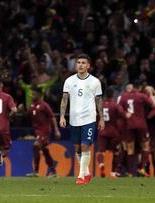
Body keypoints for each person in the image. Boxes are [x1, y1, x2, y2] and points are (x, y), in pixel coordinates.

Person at [59, 53, 105, 185]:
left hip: (89, 118)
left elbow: (99, 101)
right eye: (78, 62)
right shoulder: (69, 81)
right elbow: (64, 99)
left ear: (88, 66)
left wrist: (101, 118)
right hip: (74, 119)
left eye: (83, 63)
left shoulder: (95, 82)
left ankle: (81, 176)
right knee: (78, 147)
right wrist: (62, 116)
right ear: (76, 65)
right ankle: (87, 172)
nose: (80, 65)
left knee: (85, 145)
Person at [118, 81, 155, 177]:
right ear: (139, 87)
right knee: (145, 147)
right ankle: (143, 169)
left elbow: (118, 107)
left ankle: (130, 172)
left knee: (130, 149)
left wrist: (125, 114)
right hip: (141, 125)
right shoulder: (141, 96)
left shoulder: (124, 97)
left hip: (129, 125)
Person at [25, 86, 61, 177]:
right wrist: (22, 109)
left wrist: (56, 130)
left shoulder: (44, 105)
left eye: (34, 94)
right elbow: (28, 116)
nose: (32, 96)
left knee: (36, 146)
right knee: (45, 151)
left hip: (44, 131)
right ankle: (54, 171)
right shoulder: (32, 105)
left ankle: (36, 171)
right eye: (32, 94)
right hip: (37, 132)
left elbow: (52, 117)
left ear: (40, 95)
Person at [96, 87, 128, 178]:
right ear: (113, 95)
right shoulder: (115, 105)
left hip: (102, 131)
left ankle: (101, 164)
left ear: (105, 95)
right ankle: (113, 172)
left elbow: (95, 116)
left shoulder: (100, 105)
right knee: (117, 152)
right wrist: (128, 114)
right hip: (113, 132)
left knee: (101, 151)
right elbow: (123, 114)